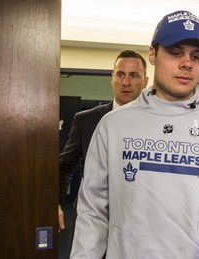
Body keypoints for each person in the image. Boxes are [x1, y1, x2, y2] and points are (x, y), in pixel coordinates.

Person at [70, 10, 199, 259]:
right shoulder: (113, 126)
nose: (187, 63)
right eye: (175, 52)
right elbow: (92, 211)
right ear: (152, 55)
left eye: (196, 56)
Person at [58, 50, 148, 240]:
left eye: (134, 75)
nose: (126, 82)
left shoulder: (157, 124)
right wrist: (55, 203)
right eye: (120, 74)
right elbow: (65, 165)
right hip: (92, 220)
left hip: (139, 223)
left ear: (145, 82)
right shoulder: (86, 120)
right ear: (112, 78)